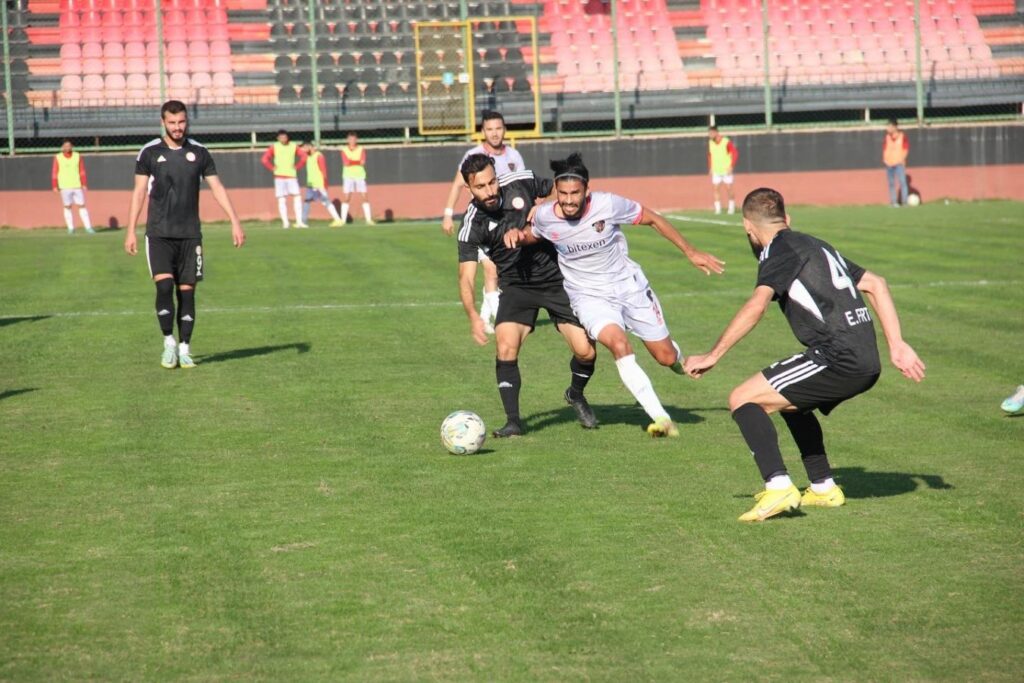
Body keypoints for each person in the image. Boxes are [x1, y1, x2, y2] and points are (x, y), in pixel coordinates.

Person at [683, 188, 926, 522]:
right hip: (863, 357)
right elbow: (877, 284)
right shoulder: (816, 245)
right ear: (788, 219)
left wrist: (713, 354)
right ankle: (823, 487)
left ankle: (779, 486)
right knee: (790, 402)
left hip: (838, 356)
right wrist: (897, 344)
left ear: (748, 229)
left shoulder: (777, 251)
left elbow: (756, 306)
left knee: (742, 399)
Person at [505, 153, 725, 438]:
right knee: (618, 344)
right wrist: (519, 235)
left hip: (629, 287)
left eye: (575, 193)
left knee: (665, 356)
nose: (569, 200)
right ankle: (661, 418)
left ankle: (681, 362)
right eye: (563, 193)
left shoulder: (608, 204)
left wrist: (690, 251)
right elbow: (535, 233)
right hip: (589, 296)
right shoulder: (547, 215)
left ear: (587, 190)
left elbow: (653, 219)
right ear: (555, 192)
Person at [457, 154, 598, 437]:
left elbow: (567, 189)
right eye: (481, 187)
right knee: (505, 347)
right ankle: (513, 422)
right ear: (468, 189)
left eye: (492, 182)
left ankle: (575, 393)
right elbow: (466, 277)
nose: (490, 191)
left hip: (557, 280)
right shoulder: (472, 224)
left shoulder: (522, 181)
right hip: (516, 288)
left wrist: (548, 205)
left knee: (586, 351)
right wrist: (473, 316)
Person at [124, 100, 246, 369]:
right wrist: (130, 230)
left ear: (186, 121)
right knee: (165, 286)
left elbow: (217, 187)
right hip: (158, 234)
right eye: (172, 123)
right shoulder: (149, 153)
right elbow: (139, 193)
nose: (177, 128)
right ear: (163, 122)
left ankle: (185, 348)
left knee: (187, 293)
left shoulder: (199, 152)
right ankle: (168, 343)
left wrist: (235, 221)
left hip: (191, 235)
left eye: (182, 122)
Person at [443, 110, 526, 334]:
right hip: (481, 226)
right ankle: (501, 320)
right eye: (490, 129)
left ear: (504, 130)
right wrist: (448, 213)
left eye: (498, 128)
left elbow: (522, 189)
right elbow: (457, 185)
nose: (495, 133)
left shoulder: (514, 157)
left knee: (498, 272)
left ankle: (485, 317)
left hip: (505, 224)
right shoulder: (474, 156)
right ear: (483, 132)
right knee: (491, 269)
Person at [261, 129, 307, 228]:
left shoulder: (293, 146)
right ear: (278, 138)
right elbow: (264, 159)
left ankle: (299, 221)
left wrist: (298, 166)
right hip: (279, 177)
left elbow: (304, 156)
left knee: (297, 196)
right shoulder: (274, 146)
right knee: (282, 199)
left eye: (285, 137)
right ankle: (285, 222)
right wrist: (272, 167)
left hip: (291, 176)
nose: (283, 139)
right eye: (281, 137)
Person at [52, 139, 94, 234]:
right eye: (65, 146)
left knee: (82, 205)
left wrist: (84, 184)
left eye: (69, 146)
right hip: (64, 186)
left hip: (77, 185)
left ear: (72, 147)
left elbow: (82, 170)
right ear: (62, 147)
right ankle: (70, 228)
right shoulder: (58, 157)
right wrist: (55, 185)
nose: (67, 148)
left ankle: (88, 227)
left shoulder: (77, 156)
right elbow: (55, 172)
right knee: (67, 206)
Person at [300, 141, 344, 227]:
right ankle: (303, 222)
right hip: (311, 184)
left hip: (319, 184)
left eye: (305, 148)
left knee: (325, 201)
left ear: (310, 146)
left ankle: (338, 220)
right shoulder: (308, 157)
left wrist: (325, 182)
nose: (303, 150)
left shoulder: (319, 156)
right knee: (307, 201)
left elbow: (323, 170)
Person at [339, 132, 375, 225]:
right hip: (348, 175)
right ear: (347, 140)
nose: (352, 141)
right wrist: (356, 162)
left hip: (360, 175)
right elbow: (346, 163)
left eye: (354, 139)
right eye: (350, 139)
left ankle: (368, 220)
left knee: (365, 197)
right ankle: (343, 220)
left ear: (356, 140)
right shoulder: (344, 150)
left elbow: (362, 162)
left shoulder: (361, 149)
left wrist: (352, 161)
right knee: (347, 197)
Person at [708, 125, 738, 215]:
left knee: (729, 189)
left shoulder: (726, 142)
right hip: (716, 170)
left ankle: (731, 208)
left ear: (716, 132)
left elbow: (734, 153)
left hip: (726, 169)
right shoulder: (710, 142)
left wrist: (731, 166)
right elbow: (709, 155)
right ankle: (718, 209)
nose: (710, 135)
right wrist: (710, 167)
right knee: (716, 189)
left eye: (711, 133)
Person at [883, 118, 910, 207]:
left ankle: (905, 202)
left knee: (902, 182)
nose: (887, 128)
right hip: (889, 163)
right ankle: (894, 202)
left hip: (899, 163)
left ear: (895, 127)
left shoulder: (902, 136)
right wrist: (885, 159)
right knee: (891, 183)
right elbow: (885, 148)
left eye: (889, 126)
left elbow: (906, 149)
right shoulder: (887, 137)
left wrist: (902, 159)